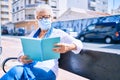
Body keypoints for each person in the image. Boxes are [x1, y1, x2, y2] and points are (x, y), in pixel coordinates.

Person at [0, 4, 83, 80]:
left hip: (47, 70)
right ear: (37, 19)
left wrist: (69, 47)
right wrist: (22, 58)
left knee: (18, 73)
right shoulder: (32, 34)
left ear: (51, 18)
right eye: (40, 17)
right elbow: (22, 53)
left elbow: (79, 43)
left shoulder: (59, 33)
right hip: (28, 67)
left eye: (46, 17)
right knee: (16, 71)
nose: (43, 19)